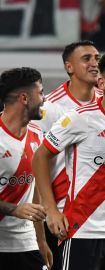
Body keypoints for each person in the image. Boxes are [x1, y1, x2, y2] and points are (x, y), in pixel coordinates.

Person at [33, 50, 105, 270]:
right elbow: (40, 156)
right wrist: (51, 209)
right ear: (102, 83)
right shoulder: (79, 118)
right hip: (82, 230)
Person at [0, 67, 52, 269]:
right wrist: (15, 209)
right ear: (24, 98)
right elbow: (21, 208)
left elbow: (35, 190)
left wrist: (41, 241)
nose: (44, 98)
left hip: (26, 243)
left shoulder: (37, 134)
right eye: (40, 92)